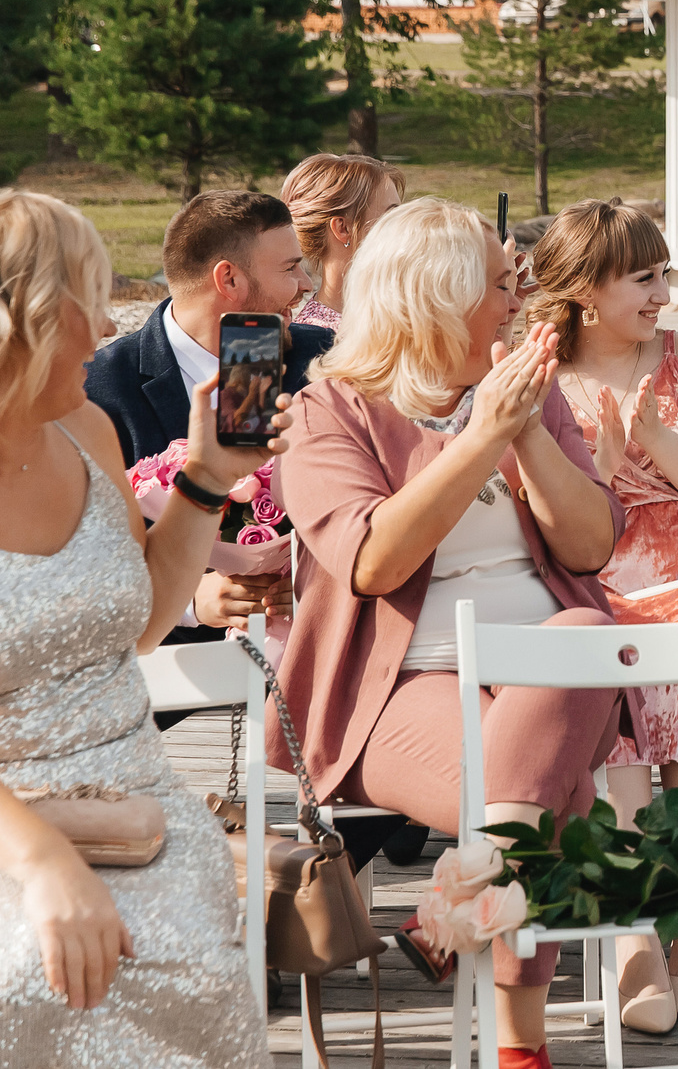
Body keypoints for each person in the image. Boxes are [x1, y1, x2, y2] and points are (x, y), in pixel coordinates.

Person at [277, 199, 625, 1069]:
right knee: (557, 804)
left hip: (552, 680)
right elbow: (374, 562)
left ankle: (458, 910)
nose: (515, 306)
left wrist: (528, 434)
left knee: (581, 629)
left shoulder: (526, 394)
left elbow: (590, 542)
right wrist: (481, 438)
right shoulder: (329, 412)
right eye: (497, 289)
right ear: (437, 297)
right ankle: (517, 1039)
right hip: (392, 690)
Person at [0, 189, 278, 1068]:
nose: (108, 327)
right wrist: (42, 861)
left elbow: (146, 618)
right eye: (90, 297)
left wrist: (203, 478)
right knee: (27, 976)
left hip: (137, 806)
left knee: (187, 951)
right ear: (27, 320)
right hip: (15, 825)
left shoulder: (85, 429)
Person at [529, 198, 678, 1033]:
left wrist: (657, 444)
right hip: (602, 573)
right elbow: (553, 529)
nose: (663, 290)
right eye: (645, 276)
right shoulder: (545, 378)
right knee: (603, 654)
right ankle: (636, 921)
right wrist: (594, 475)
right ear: (586, 291)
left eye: (664, 271)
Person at [86, 192, 329, 648]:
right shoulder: (101, 389)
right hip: (176, 684)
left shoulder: (326, 358)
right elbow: (88, 562)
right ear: (229, 278)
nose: (305, 284)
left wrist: (314, 581)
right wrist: (192, 601)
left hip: (315, 660)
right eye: (290, 267)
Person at [280, 153, 406, 330]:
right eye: (390, 216)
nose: (404, 226)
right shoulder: (320, 339)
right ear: (343, 228)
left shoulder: (401, 311)